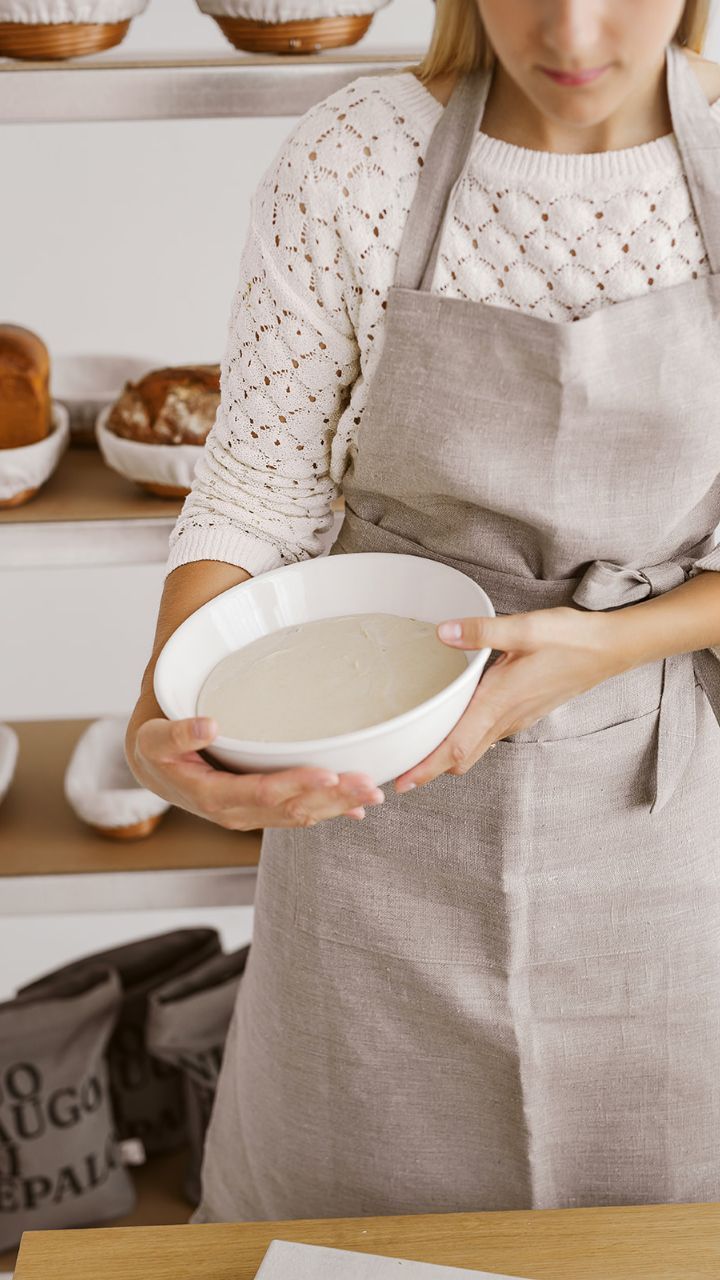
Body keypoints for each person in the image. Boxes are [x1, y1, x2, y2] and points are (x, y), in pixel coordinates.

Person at [127, 0, 720, 1220]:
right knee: (350, 1233)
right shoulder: (354, 160)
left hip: (658, 835)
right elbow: (254, 489)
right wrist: (163, 707)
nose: (574, 27)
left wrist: (606, 643)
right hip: (370, 820)